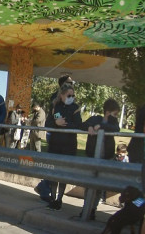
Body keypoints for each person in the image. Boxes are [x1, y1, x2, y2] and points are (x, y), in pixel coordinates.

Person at [79, 98, 120, 219]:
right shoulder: (95, 118)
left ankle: (93, 209)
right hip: (92, 156)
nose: (116, 116)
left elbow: (116, 129)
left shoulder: (113, 123)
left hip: (105, 158)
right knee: (89, 185)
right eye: (115, 113)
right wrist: (90, 127)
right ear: (108, 112)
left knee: (99, 187)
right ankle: (85, 208)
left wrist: (100, 126)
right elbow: (83, 125)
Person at [44, 83, 82, 211]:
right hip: (55, 144)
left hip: (69, 146)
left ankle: (59, 199)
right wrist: (56, 122)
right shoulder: (55, 107)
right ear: (62, 95)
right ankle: (53, 198)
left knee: (63, 175)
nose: (71, 97)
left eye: (73, 95)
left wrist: (64, 124)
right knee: (54, 173)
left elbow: (78, 124)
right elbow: (48, 123)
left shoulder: (76, 108)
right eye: (68, 95)